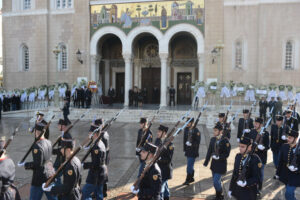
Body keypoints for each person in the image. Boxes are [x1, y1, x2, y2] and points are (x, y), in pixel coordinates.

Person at [18, 123, 57, 200]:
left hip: (39, 179)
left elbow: (37, 164)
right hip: (49, 174)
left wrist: (26, 164)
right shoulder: (48, 142)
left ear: (36, 132)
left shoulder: (37, 146)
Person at [42, 135, 81, 200]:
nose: (61, 150)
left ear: (68, 149)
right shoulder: (76, 159)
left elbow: (67, 188)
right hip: (75, 193)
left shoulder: (70, 165)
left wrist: (52, 189)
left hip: (70, 196)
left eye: (62, 148)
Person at [203, 122, 231, 200]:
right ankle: (218, 195)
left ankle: (220, 192)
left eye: (216, 130)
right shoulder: (212, 139)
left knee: (216, 181)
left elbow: (227, 154)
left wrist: (219, 157)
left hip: (221, 165)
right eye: (214, 130)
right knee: (215, 182)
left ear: (221, 131)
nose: (214, 132)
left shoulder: (225, 141)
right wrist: (206, 161)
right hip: (214, 164)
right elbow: (209, 151)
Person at [82, 125, 108, 200]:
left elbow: (96, 164)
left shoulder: (97, 146)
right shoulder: (98, 143)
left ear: (95, 134)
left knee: (85, 192)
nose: (89, 135)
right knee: (98, 193)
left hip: (96, 174)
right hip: (100, 173)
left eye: (90, 133)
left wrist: (84, 165)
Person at [276, 129, 300, 200]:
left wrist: (297, 169)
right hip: (285, 174)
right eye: (288, 137)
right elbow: (280, 161)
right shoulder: (284, 146)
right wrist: (278, 173)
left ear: (296, 139)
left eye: (290, 138)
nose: (288, 139)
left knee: (288, 193)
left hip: (296, 176)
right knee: (288, 191)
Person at [248, 117, 269, 194]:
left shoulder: (265, 133)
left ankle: (259, 188)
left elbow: (268, 146)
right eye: (255, 123)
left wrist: (263, 148)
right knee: (252, 173)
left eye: (256, 123)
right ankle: (252, 187)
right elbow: (249, 142)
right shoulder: (252, 132)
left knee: (260, 173)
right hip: (253, 156)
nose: (255, 124)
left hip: (261, 158)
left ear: (261, 124)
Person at [154, 125, 174, 200]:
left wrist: (159, 158)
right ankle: (167, 197)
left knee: (160, 190)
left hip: (165, 170)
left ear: (164, 133)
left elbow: (169, 159)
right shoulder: (157, 140)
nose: (157, 133)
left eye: (159, 131)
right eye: (158, 131)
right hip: (158, 169)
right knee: (164, 186)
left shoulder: (170, 145)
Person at [52, 119, 72, 185]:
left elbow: (64, 151)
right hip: (60, 160)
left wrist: (52, 151)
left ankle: (58, 192)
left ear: (63, 126)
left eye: (59, 125)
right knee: (56, 177)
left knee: (56, 177)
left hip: (61, 161)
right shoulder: (64, 135)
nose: (58, 126)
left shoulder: (66, 136)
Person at [183, 118, 201, 185]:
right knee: (190, 165)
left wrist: (191, 144)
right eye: (187, 122)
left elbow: (198, 142)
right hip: (188, 150)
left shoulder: (196, 131)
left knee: (189, 166)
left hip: (193, 151)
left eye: (188, 122)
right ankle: (192, 177)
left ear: (192, 123)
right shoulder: (186, 129)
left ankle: (188, 179)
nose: (187, 124)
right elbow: (184, 140)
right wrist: (184, 149)